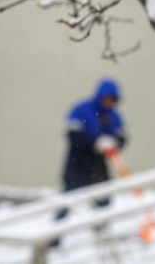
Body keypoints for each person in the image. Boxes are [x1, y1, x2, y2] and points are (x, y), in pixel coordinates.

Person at [54, 78, 127, 228]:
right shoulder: (81, 110)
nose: (108, 102)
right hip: (78, 163)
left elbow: (122, 137)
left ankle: (102, 234)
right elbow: (72, 135)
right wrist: (94, 143)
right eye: (106, 98)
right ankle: (53, 238)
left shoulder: (114, 116)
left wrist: (113, 143)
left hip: (98, 166)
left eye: (111, 100)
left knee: (103, 200)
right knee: (67, 201)